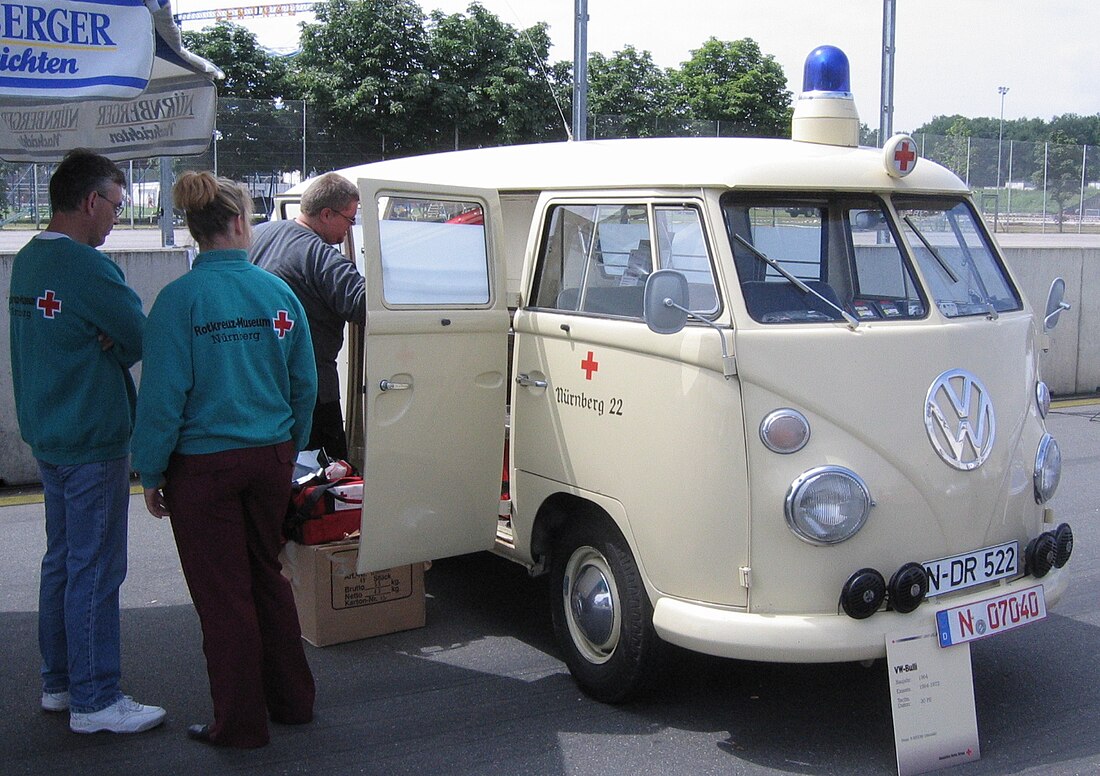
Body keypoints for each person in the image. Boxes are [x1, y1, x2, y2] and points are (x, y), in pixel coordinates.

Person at [131, 171, 318, 748]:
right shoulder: (276, 294)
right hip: (270, 459)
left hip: (203, 470)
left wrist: (152, 471)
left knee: (222, 594)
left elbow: (163, 398)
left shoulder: (179, 300)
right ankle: (293, 701)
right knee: (267, 573)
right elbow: (303, 384)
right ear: (238, 223)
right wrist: (288, 451)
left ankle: (238, 724)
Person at [8, 149, 165, 734]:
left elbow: (114, 336)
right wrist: (113, 341)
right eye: (117, 207)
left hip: (47, 432)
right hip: (92, 436)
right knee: (96, 570)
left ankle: (61, 682)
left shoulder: (30, 260)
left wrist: (110, 338)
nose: (117, 220)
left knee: (62, 563)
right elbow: (139, 334)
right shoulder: (88, 269)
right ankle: (96, 700)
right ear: (92, 200)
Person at [250, 171, 363, 460]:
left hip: (257, 382)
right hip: (311, 391)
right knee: (325, 477)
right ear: (326, 214)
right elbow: (365, 305)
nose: (349, 230)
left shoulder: (258, 235)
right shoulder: (320, 256)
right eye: (350, 220)